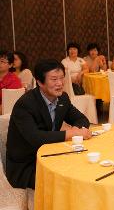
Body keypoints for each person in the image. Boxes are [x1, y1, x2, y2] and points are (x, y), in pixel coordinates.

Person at [6, 59, 91, 189]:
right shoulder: (25, 104)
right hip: (27, 165)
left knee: (83, 171)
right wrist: (72, 133)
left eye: (62, 78)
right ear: (39, 82)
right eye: (54, 79)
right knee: (66, 183)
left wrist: (75, 129)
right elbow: (35, 138)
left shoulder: (62, 98)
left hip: (51, 156)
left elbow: (82, 119)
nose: (60, 83)